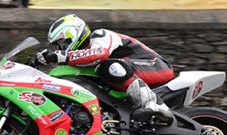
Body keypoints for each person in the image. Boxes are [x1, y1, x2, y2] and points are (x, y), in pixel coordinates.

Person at [34, 14, 174, 121]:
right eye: (56, 47)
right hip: (134, 72)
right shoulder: (81, 59)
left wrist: (59, 56)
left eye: (61, 45)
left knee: (110, 67)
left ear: (73, 35)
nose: (60, 49)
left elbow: (98, 55)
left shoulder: (100, 35)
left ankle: (155, 105)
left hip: (154, 65)